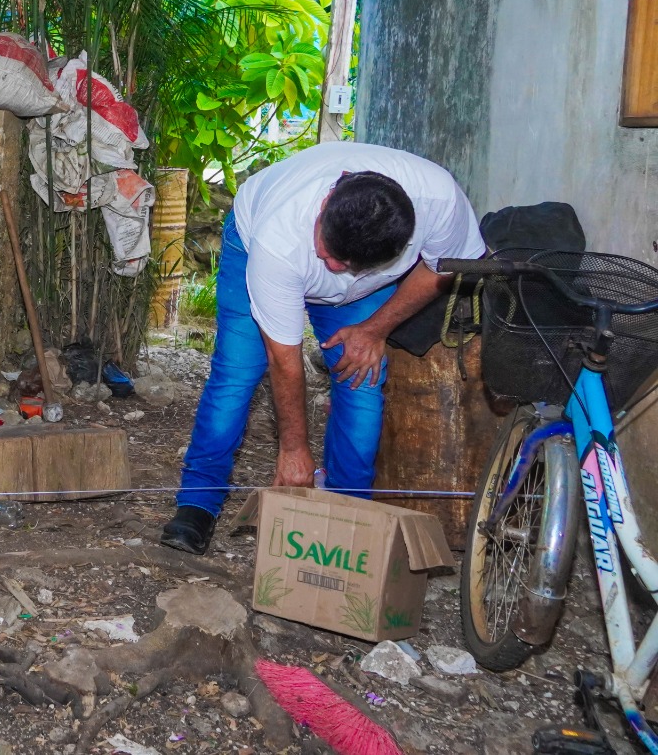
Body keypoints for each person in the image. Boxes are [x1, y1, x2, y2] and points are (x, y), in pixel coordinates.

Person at [160, 142, 485, 556]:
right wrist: (294, 449)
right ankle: (197, 503)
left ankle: (348, 511)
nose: (328, 264)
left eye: (345, 261)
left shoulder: (440, 201)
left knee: (362, 384)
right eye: (327, 248)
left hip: (363, 294)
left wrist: (374, 328)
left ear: (401, 246)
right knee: (236, 376)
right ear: (329, 198)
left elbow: (449, 265)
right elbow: (285, 358)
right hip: (256, 248)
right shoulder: (281, 238)